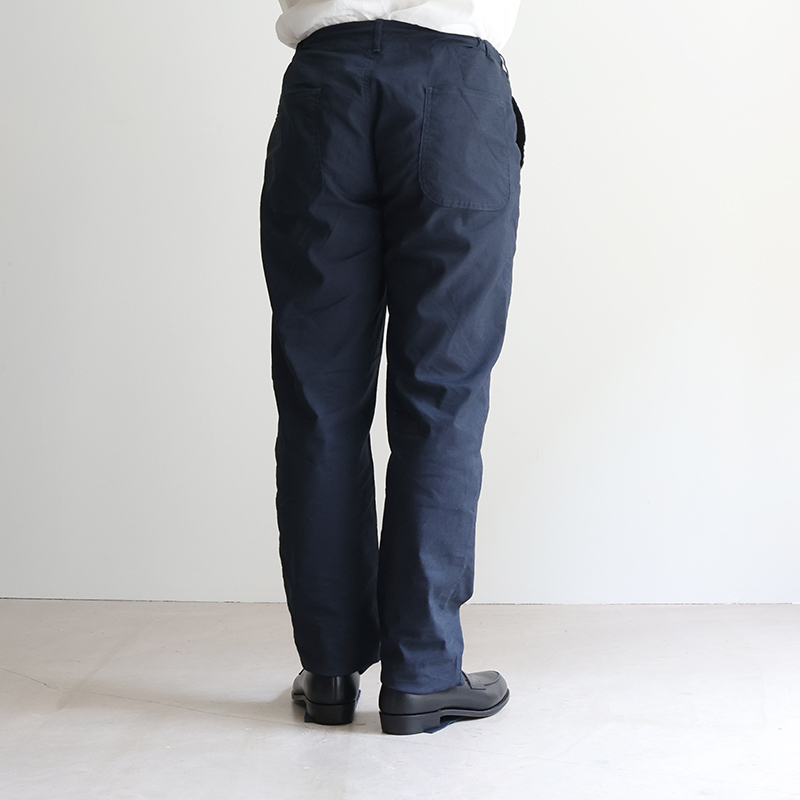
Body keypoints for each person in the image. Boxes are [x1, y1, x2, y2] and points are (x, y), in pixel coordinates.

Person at [259, 0, 525, 735]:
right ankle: (423, 675)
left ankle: (330, 668)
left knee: (318, 401)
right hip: (455, 85)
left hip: (326, 88)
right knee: (443, 397)